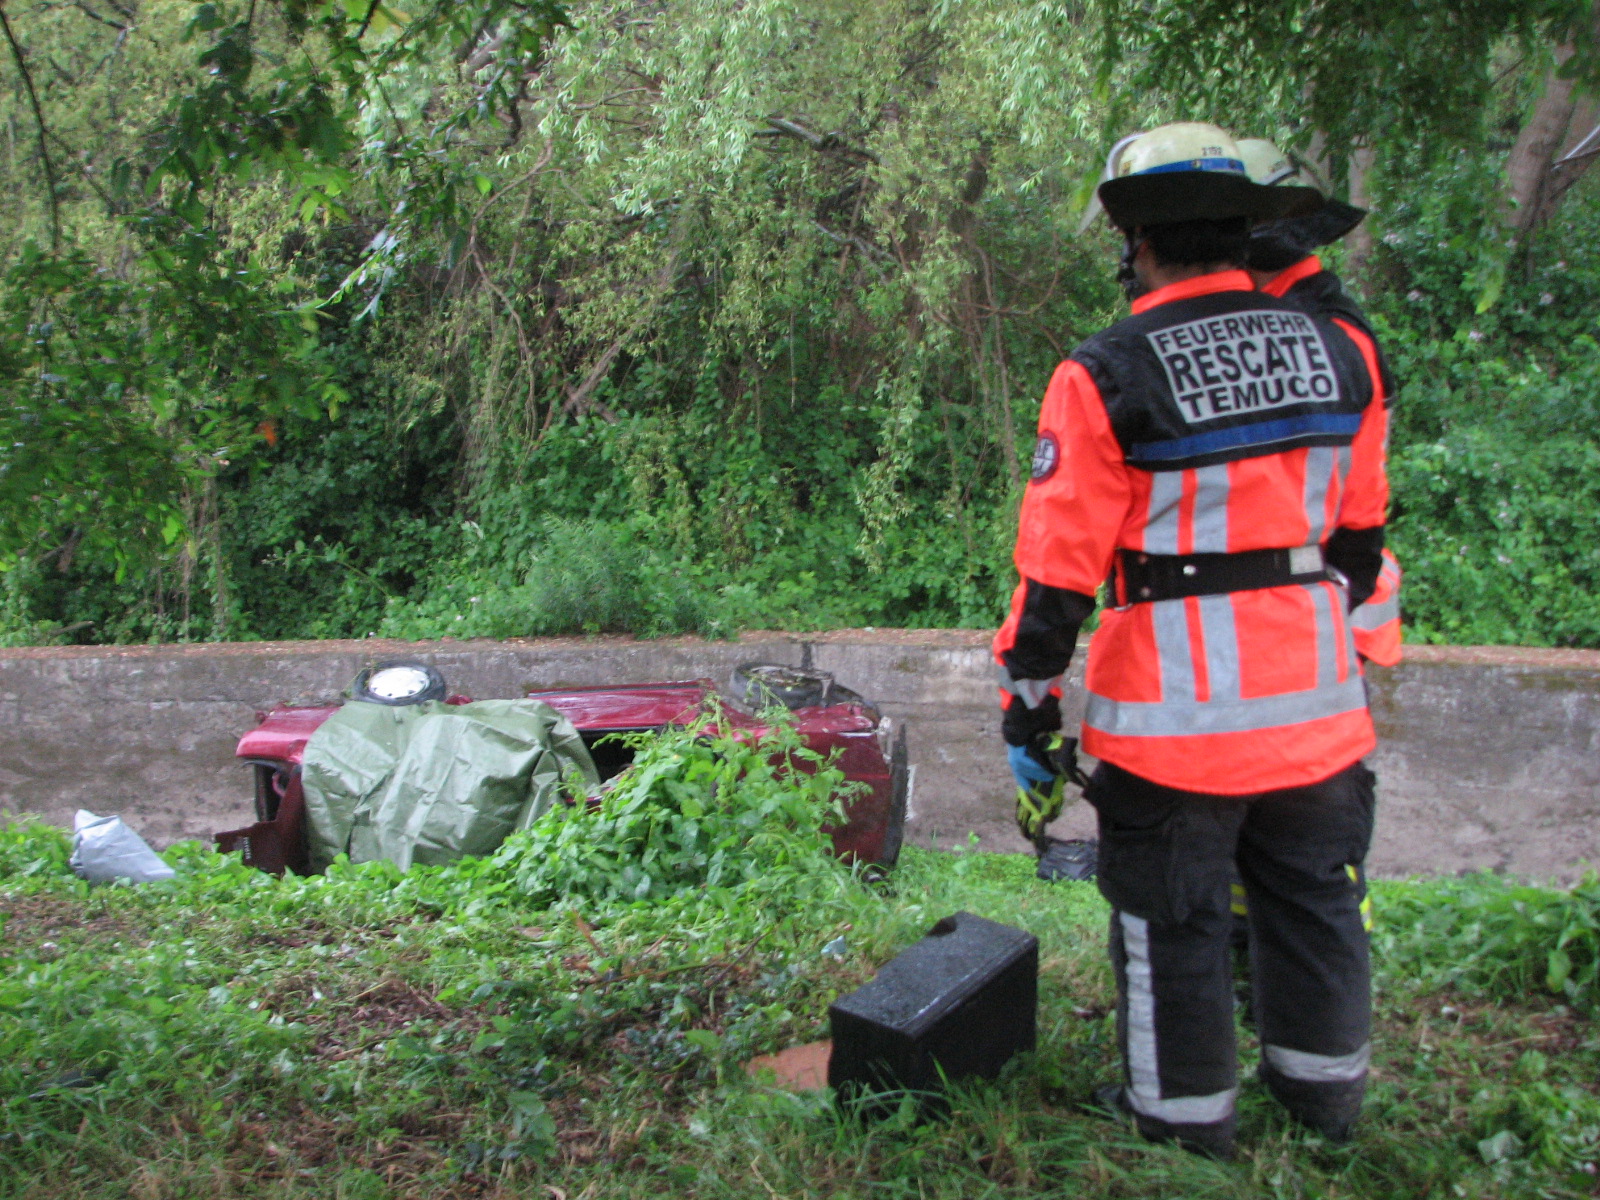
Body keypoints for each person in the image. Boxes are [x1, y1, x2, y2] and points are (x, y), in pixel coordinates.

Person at [994, 122, 1391, 1158]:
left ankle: (1183, 1142)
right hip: (1318, 725)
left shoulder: (1102, 373)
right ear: (1248, 231)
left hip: (1171, 741)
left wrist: (1027, 703)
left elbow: (1056, 579)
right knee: (1313, 912)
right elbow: (1358, 542)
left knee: (1173, 931)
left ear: (1135, 244)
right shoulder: (1340, 351)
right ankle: (1325, 1115)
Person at [1236, 137, 1402, 666]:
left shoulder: (1305, 337)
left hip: (1319, 616)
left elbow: (1347, 507)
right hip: (1323, 606)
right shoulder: (1321, 320)